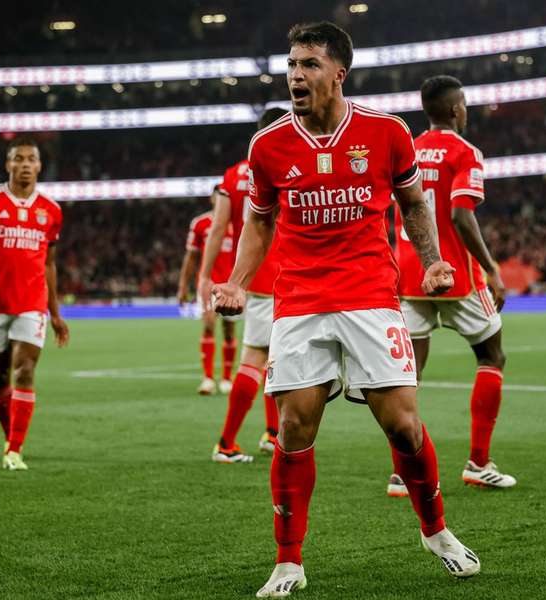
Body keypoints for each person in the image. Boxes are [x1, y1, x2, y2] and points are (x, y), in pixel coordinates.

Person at [212, 22, 480, 598]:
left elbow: (412, 204)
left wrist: (432, 261)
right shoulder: (268, 145)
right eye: (291, 64)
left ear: (339, 72)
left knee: (403, 426)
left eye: (308, 64)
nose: (294, 75)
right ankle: (288, 560)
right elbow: (258, 223)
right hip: (300, 300)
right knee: (292, 427)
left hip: (370, 295)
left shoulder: (387, 133)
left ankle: (436, 531)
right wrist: (236, 281)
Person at [387, 75, 515, 499]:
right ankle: (479, 463)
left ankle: (401, 475)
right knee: (492, 355)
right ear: (455, 109)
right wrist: (492, 268)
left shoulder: (407, 149)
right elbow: (462, 216)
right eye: (464, 104)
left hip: (410, 276)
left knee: (408, 376)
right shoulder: (464, 152)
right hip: (455, 277)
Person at [0, 137, 69, 471]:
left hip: (32, 303)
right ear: (8, 164)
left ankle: (14, 449)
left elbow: (49, 264)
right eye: (18, 158)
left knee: (25, 369)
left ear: (39, 166)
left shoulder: (51, 210)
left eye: (31, 159)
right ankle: (11, 435)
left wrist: (55, 312)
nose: (24, 164)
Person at [198, 107, 288, 463]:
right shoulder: (287, 165)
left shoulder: (233, 175)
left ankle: (273, 433)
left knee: (272, 358)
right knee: (258, 357)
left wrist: (207, 275)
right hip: (277, 276)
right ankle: (226, 442)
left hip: (256, 278)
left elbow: (218, 228)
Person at [178, 192, 237, 395]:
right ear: (212, 199)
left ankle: (227, 378)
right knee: (209, 325)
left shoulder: (238, 223)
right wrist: (183, 286)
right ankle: (208, 378)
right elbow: (191, 257)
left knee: (229, 329)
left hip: (231, 283)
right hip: (208, 284)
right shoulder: (201, 223)